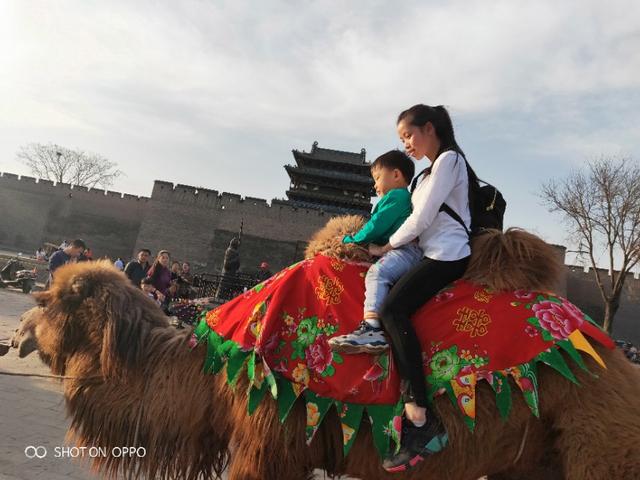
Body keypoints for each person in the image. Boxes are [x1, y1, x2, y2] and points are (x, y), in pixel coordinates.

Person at [372, 105, 472, 472]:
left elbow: (422, 218)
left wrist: (386, 246)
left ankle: (421, 415)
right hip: (424, 253)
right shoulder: (420, 178)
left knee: (392, 310)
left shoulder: (450, 162)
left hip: (448, 255)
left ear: (429, 128)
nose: (406, 144)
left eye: (409, 135)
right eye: (401, 139)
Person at [328, 150, 419, 353]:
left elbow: (376, 226)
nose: (375, 185)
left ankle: (372, 329)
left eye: (377, 178)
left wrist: (351, 239)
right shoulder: (400, 198)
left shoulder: (397, 196)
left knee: (377, 273)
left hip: (405, 251)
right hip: (397, 250)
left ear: (396, 175)